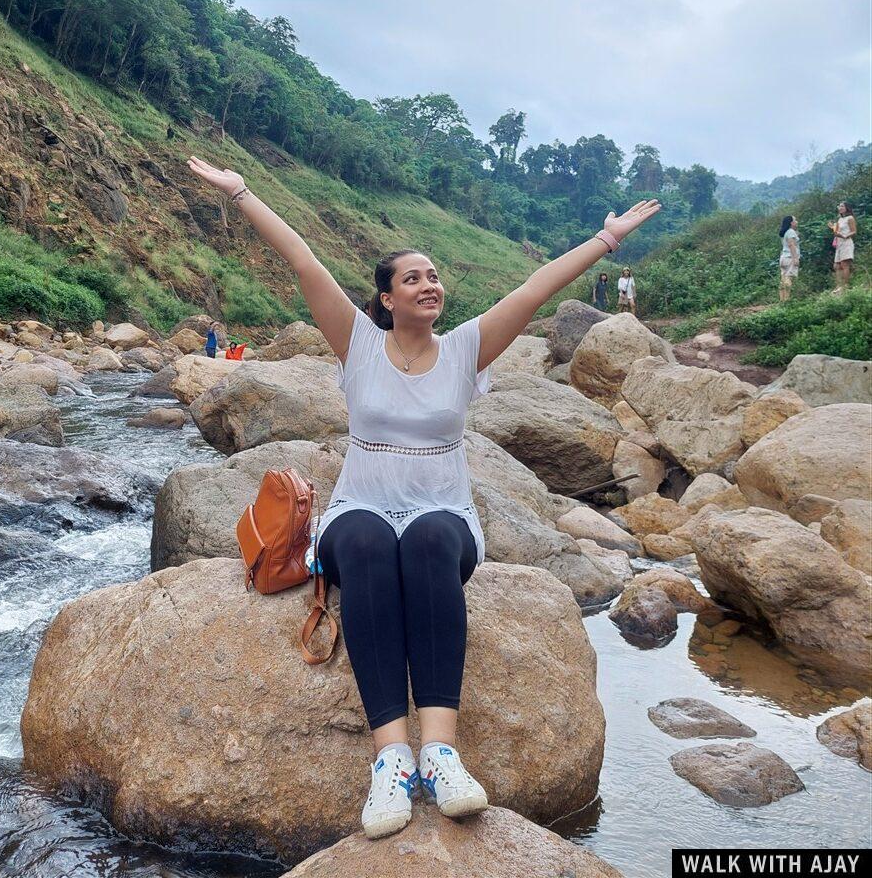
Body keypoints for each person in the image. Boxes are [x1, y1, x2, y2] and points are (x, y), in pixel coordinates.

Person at [187, 154, 660, 840]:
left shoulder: (468, 347)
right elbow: (304, 262)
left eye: (434, 276)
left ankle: (440, 753)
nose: (429, 284)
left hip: (444, 509)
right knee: (371, 545)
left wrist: (606, 240)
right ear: (385, 299)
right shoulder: (356, 343)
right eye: (413, 278)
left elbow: (533, 290)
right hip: (362, 506)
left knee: (433, 540)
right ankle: (391, 763)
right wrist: (243, 194)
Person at [828, 201, 857, 291]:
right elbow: (836, 231)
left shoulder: (850, 218)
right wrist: (832, 227)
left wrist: (845, 235)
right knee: (836, 266)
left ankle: (845, 286)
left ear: (846, 208)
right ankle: (839, 285)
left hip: (846, 242)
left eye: (842, 206)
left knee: (845, 264)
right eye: (839, 206)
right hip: (839, 244)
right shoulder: (840, 219)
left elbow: (854, 231)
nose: (840, 208)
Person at [778, 215, 800, 302]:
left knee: (783, 279)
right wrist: (795, 258)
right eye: (795, 220)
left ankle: (782, 300)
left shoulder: (786, 232)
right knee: (788, 278)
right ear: (791, 222)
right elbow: (791, 245)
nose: (797, 222)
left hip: (783, 257)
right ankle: (786, 300)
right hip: (790, 258)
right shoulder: (791, 232)